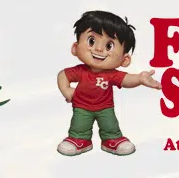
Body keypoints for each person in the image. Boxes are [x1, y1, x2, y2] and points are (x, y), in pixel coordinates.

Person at [56, 10, 157, 156]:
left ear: (124, 60)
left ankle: (112, 140)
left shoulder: (112, 74)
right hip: (82, 107)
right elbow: (63, 75)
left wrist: (140, 79)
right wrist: (67, 91)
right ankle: (79, 140)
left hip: (105, 108)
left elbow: (126, 79)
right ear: (75, 48)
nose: (98, 49)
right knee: (79, 126)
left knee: (110, 126)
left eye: (109, 45)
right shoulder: (80, 71)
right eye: (91, 41)